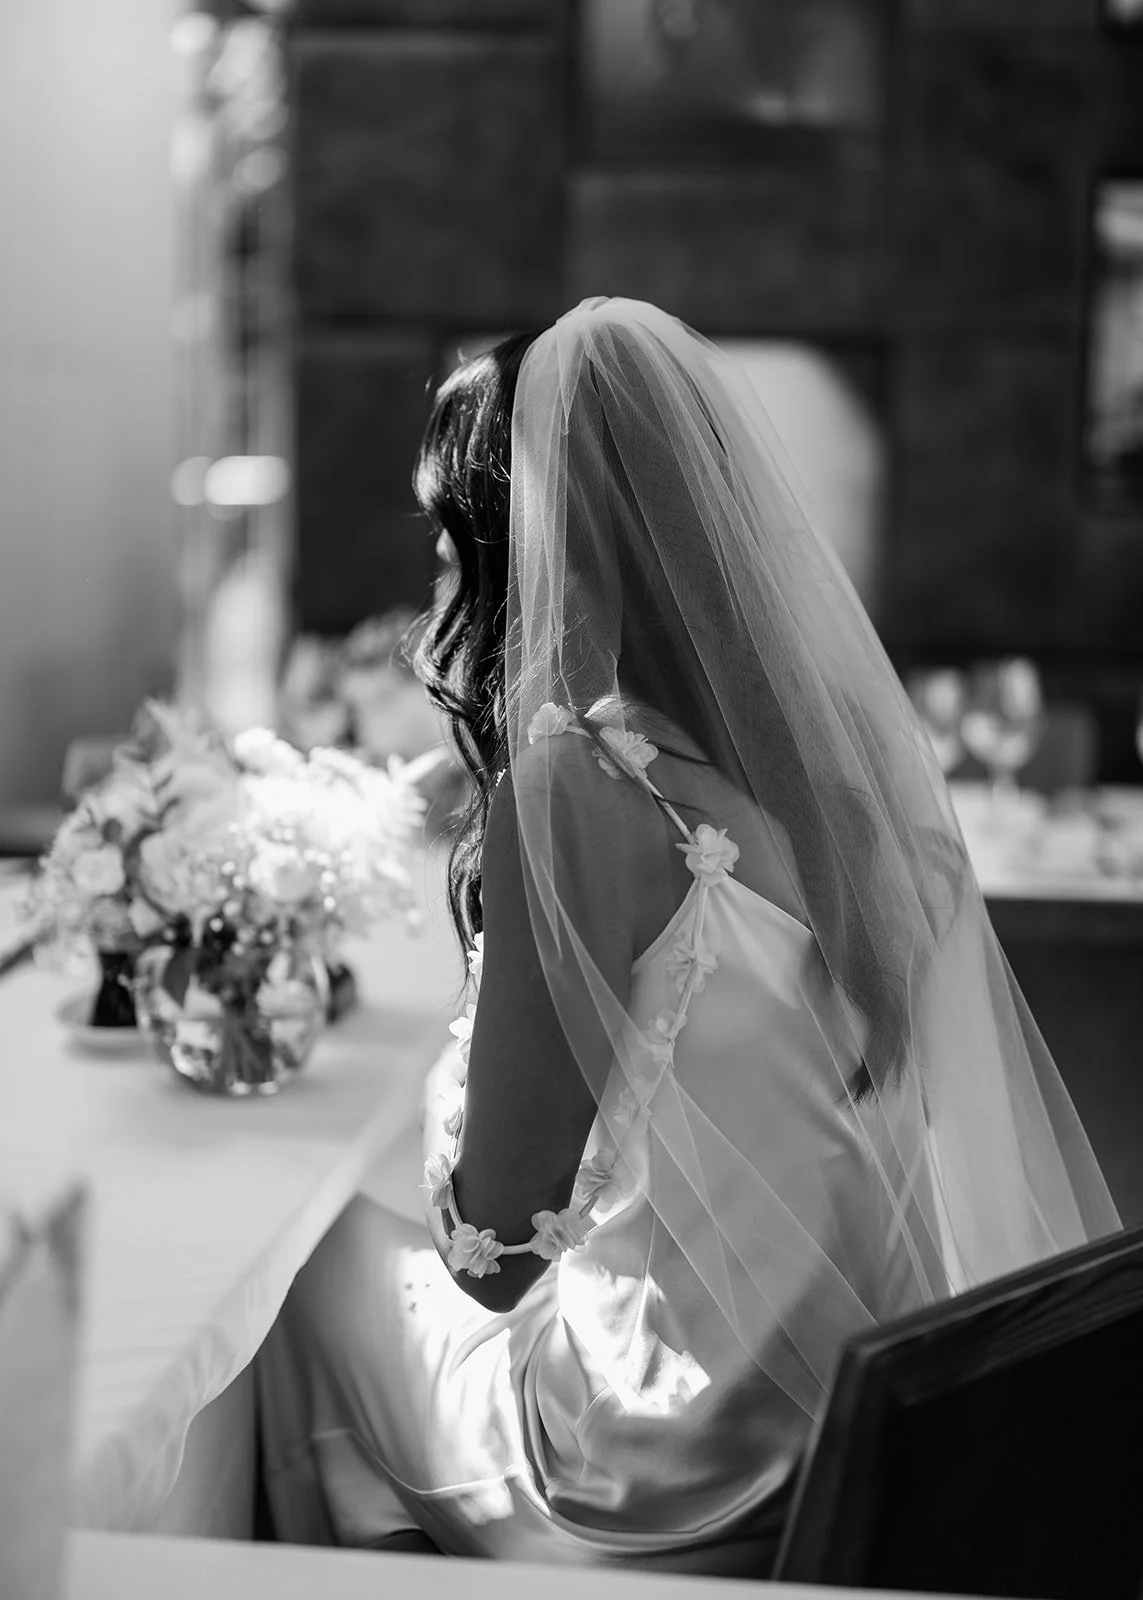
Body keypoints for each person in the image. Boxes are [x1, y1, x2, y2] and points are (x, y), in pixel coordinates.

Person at [255, 297, 1120, 1573]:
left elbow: (488, 1255)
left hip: (670, 1480)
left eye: (452, 545)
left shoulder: (575, 784)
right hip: (861, 1424)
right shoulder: (846, 778)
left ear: (526, 547)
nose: (438, 585)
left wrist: (444, 1097)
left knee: (306, 1274)